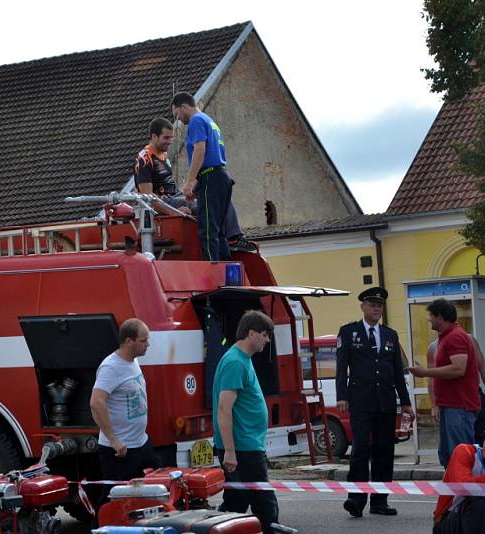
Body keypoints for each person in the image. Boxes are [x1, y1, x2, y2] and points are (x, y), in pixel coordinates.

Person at [335, 287, 413, 517]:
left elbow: (398, 372)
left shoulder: (390, 335)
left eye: (379, 305)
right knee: (359, 449)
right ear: (363, 307)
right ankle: (356, 500)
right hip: (360, 401)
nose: (376, 308)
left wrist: (406, 402)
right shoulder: (349, 332)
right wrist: (342, 396)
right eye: (371, 305)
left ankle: (380, 501)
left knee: (384, 451)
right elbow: (342, 367)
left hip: (385, 402)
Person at [133, 116, 257, 252]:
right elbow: (147, 197)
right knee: (207, 203)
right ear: (154, 136)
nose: (170, 142)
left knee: (218, 194)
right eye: (166, 138)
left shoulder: (163, 155)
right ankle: (230, 239)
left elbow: (169, 186)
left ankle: (231, 238)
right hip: (165, 202)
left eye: (171, 138)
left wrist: (190, 191)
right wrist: (173, 212)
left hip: (175, 197)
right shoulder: (144, 158)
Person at [212, 309, 279, 533]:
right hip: (243, 448)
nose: (267, 340)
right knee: (265, 505)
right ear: (252, 334)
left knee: (236, 504)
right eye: (265, 334)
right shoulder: (235, 362)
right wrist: (230, 451)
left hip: (245, 445)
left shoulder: (241, 359)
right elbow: (224, 409)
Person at [89, 318, 160, 505]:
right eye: (143, 341)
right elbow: (96, 402)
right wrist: (113, 439)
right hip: (120, 450)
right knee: (113, 499)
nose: (148, 344)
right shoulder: (111, 367)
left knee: (155, 490)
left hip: (141, 444)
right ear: (129, 341)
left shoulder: (133, 361)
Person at [171, 92, 247, 261]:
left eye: (176, 114)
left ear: (184, 107)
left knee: (207, 230)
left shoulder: (196, 121)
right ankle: (226, 271)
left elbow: (200, 150)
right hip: (221, 176)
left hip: (210, 178)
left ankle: (212, 271)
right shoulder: (209, 120)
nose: (178, 120)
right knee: (219, 230)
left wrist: (190, 181)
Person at [409, 298, 481, 467]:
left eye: (431, 316)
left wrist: (425, 372)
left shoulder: (455, 337)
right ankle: (455, 491)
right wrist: (437, 404)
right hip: (451, 406)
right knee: (449, 456)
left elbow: (458, 369)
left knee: (461, 456)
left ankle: (467, 492)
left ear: (441, 317)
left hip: (460, 406)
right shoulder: (446, 338)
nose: (429, 319)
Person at [428, 334, 485, 445]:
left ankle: (481, 461)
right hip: (450, 402)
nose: (430, 320)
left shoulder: (469, 340)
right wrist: (434, 405)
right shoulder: (433, 347)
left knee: (481, 437)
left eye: (432, 316)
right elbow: (432, 378)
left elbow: (482, 366)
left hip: (473, 396)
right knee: (457, 442)